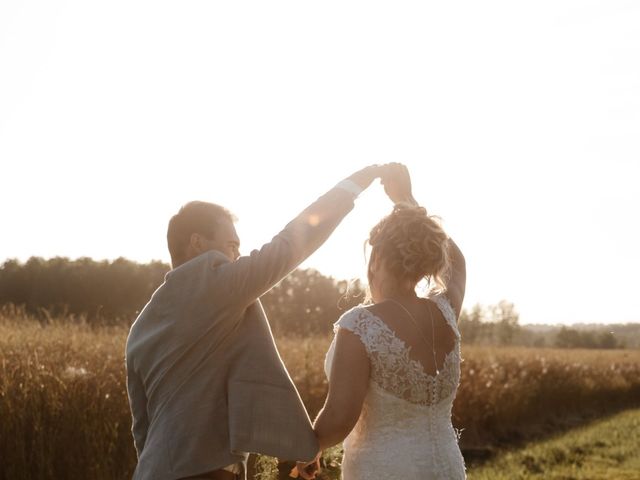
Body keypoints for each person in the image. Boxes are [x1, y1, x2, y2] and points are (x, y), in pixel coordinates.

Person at [125, 164, 404, 480]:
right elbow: (291, 244)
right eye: (231, 246)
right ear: (197, 243)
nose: (237, 256)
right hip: (203, 472)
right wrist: (356, 183)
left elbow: (142, 428)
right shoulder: (217, 285)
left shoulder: (142, 324)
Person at [296, 164, 467, 479]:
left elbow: (338, 418)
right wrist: (406, 199)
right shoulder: (444, 312)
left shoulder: (360, 325)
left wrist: (307, 450)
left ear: (374, 260)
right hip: (446, 467)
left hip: (384, 470)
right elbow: (457, 265)